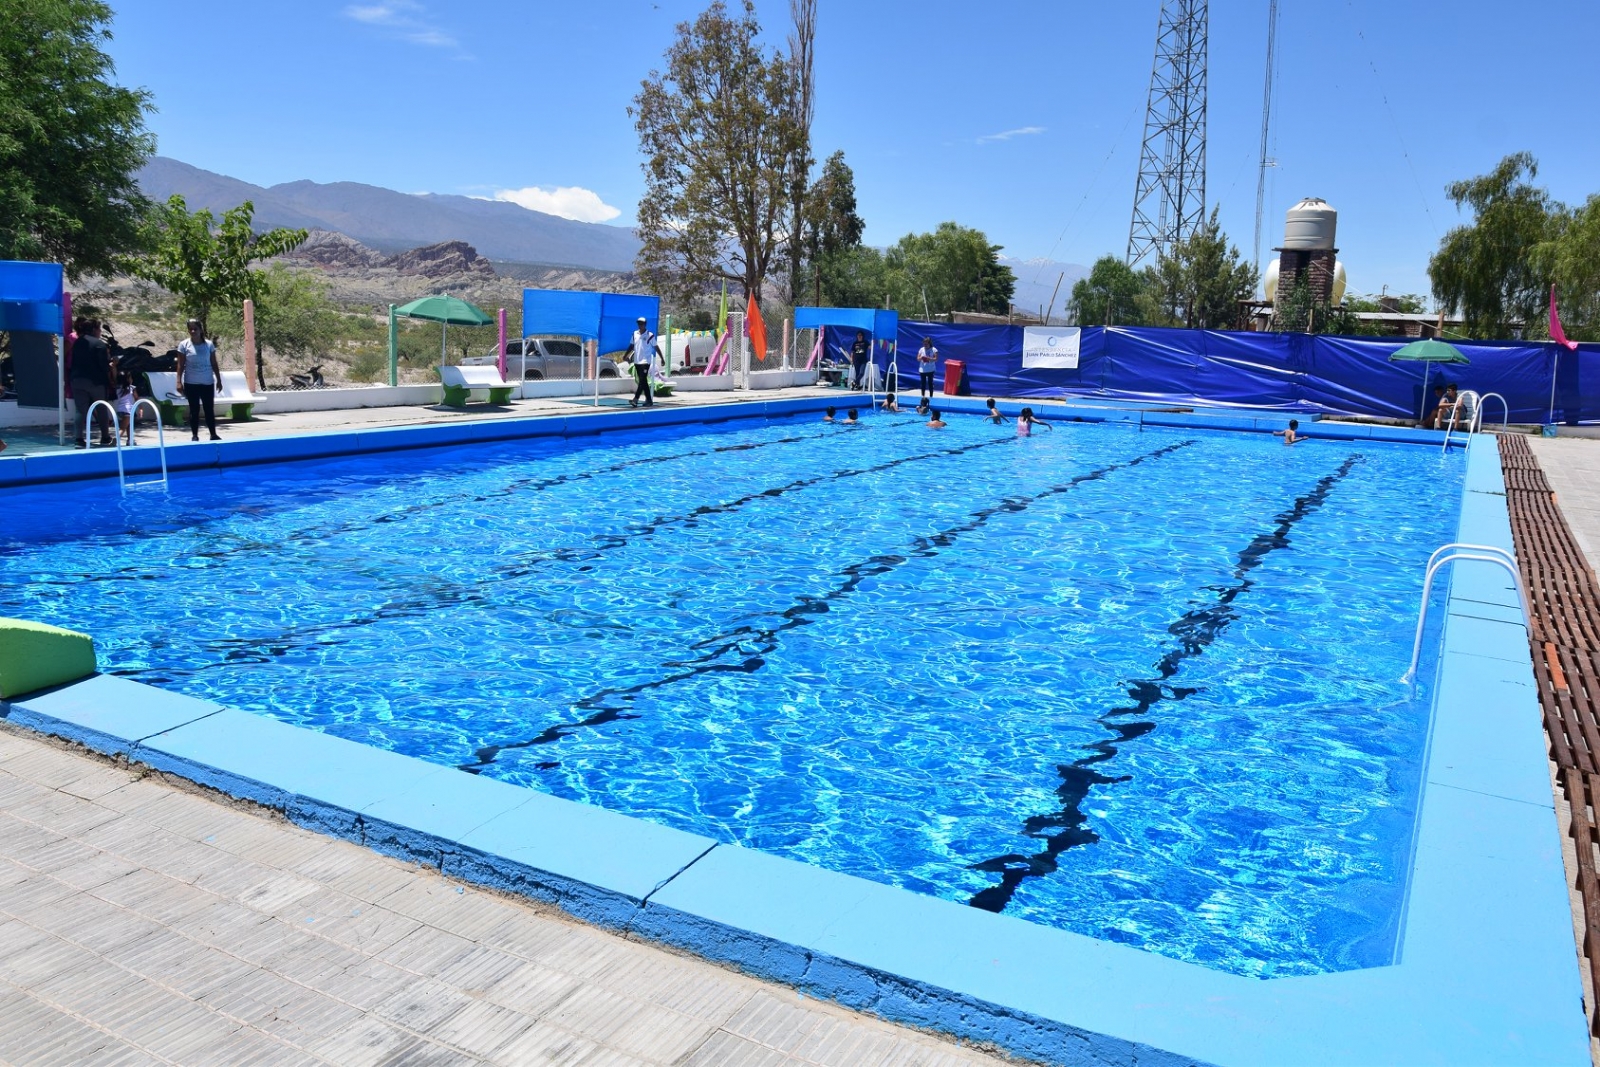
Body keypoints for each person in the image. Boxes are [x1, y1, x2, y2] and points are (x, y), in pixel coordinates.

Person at [70, 318, 116, 448]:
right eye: (99, 329)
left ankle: (78, 439)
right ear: (94, 330)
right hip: (96, 382)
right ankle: (105, 437)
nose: (100, 331)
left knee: (80, 410)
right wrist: (111, 367)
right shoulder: (99, 344)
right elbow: (103, 366)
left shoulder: (78, 342)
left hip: (77, 380)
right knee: (101, 408)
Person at [175, 319, 223, 442]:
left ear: (200, 330)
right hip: (191, 383)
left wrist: (219, 380)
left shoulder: (209, 345)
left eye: (195, 329)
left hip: (207, 382)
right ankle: (195, 435)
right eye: (190, 329)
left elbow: (214, 363)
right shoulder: (184, 345)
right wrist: (178, 381)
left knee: (209, 409)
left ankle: (213, 434)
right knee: (194, 410)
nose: (193, 331)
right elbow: (180, 364)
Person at [627, 316, 660, 408]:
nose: (640, 325)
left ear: (645, 324)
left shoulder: (650, 335)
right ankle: (649, 400)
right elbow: (631, 346)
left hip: (645, 361)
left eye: (642, 323)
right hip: (637, 361)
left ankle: (635, 399)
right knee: (643, 381)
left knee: (642, 380)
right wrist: (626, 355)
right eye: (639, 323)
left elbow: (656, 346)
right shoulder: (635, 334)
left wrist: (662, 358)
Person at [113, 369, 138, 446]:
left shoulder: (118, 388)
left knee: (129, 425)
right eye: (130, 378)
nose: (132, 379)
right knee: (123, 428)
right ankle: (116, 439)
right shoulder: (131, 388)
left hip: (120, 410)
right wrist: (140, 407)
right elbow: (136, 398)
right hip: (128, 410)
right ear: (127, 379)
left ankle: (130, 440)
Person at [916, 336, 938, 401]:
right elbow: (918, 358)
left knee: (930, 383)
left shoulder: (934, 349)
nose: (925, 345)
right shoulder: (921, 349)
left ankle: (931, 396)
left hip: (930, 369)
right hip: (923, 369)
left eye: (926, 344)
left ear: (929, 343)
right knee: (923, 383)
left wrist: (929, 359)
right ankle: (923, 396)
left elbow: (936, 359)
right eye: (924, 344)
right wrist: (921, 358)